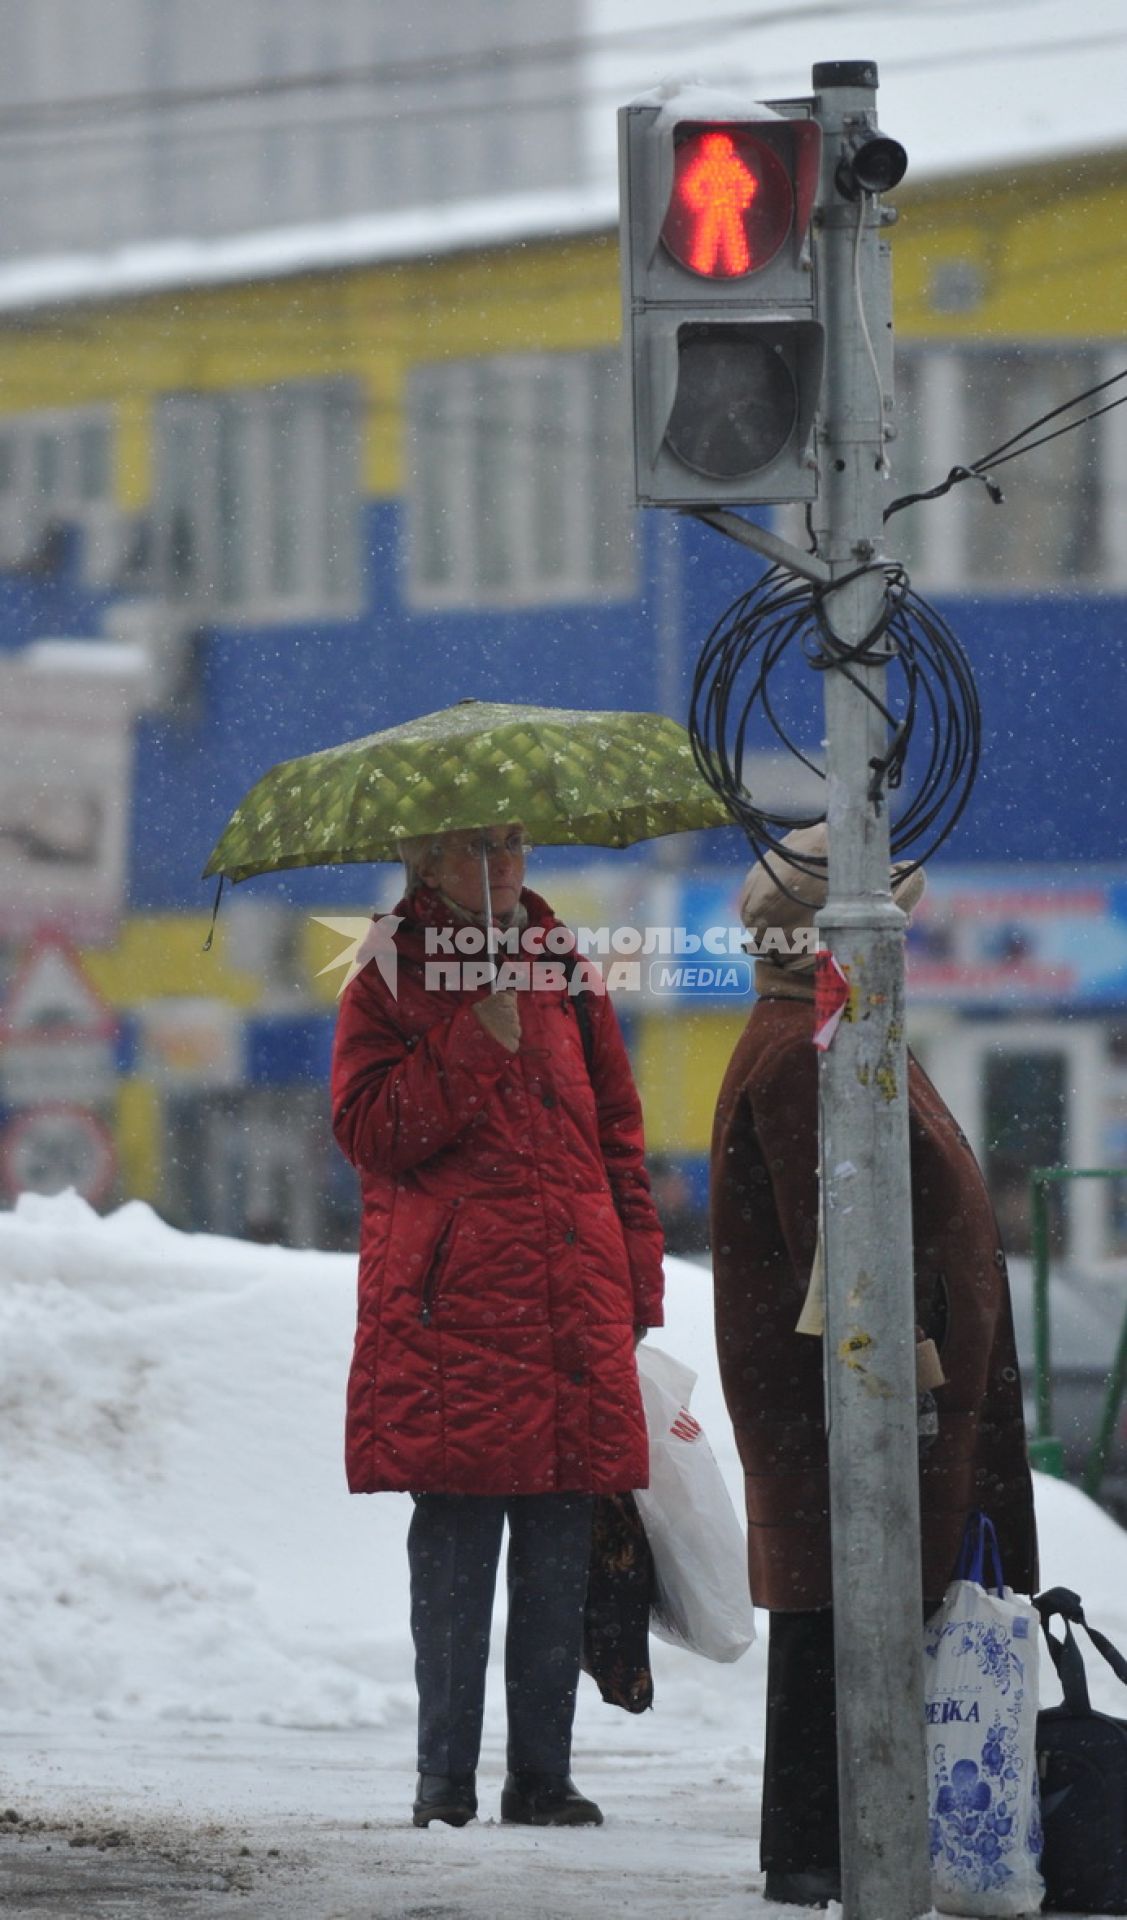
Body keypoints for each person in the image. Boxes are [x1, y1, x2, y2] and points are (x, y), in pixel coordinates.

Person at [710, 824, 1037, 1911]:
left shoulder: (836, 1025)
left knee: (846, 1606)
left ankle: (831, 1841)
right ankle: (817, 1846)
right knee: (835, 1605)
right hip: (851, 1391)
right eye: (888, 917)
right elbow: (839, 1244)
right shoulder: (808, 1046)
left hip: (871, 1380)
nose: (907, 933)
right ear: (825, 932)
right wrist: (910, 1359)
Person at [330, 822, 664, 1830]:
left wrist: (635, 1287)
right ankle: (444, 1781)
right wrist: (475, 1039)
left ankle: (542, 1776)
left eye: (513, 843)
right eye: (477, 848)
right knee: (456, 1564)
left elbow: (615, 1137)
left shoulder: (563, 965)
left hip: (570, 1309)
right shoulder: (385, 971)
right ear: (427, 863)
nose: (503, 863)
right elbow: (371, 1132)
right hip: (454, 1322)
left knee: (559, 1561)